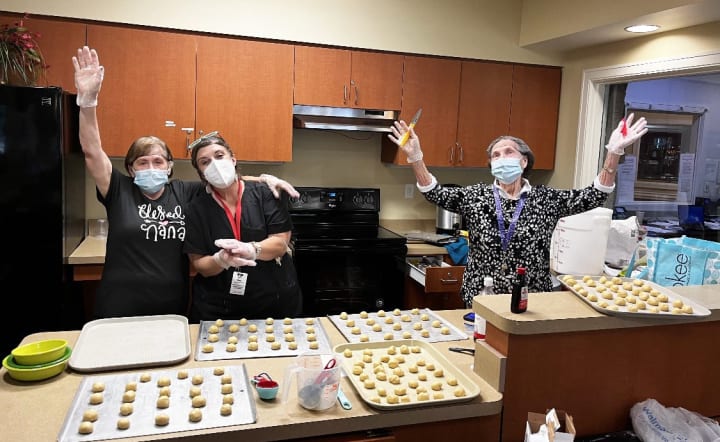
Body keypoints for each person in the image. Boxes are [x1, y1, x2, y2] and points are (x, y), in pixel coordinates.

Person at [72, 46, 298, 319]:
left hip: (173, 303)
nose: (151, 167)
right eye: (142, 162)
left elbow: (224, 180)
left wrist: (263, 177)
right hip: (121, 302)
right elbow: (92, 152)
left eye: (158, 161)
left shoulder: (183, 191)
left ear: (169, 167)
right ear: (130, 169)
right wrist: (88, 102)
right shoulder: (119, 190)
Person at [388, 114, 647, 303]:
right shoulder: (476, 195)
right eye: (495, 156)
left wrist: (614, 154)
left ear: (524, 161)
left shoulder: (545, 199)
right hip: (481, 295)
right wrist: (416, 157)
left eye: (508, 152)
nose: (501, 159)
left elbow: (593, 195)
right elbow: (434, 192)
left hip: (531, 296)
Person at [183, 133, 302, 321]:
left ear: (233, 159)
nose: (214, 164)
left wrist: (251, 249)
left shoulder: (265, 194)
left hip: (273, 302)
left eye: (219, 156)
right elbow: (199, 264)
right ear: (201, 172)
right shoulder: (195, 209)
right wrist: (220, 260)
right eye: (205, 162)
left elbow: (280, 244)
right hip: (219, 309)